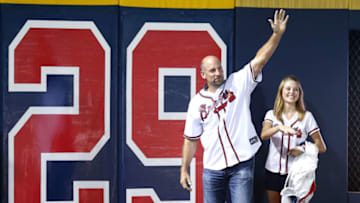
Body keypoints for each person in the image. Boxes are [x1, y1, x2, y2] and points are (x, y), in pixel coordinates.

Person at [180, 9, 289, 203]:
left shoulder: (237, 83)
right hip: (213, 169)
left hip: (242, 165)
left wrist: (276, 35)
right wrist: (184, 169)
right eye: (212, 70)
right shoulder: (196, 103)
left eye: (219, 68)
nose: (217, 73)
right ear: (203, 74)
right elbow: (190, 139)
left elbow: (260, 60)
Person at [260, 75, 327, 203]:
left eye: (295, 89)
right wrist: (279, 127)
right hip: (273, 171)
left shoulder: (306, 117)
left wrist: (302, 149)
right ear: (281, 92)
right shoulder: (272, 115)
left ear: (299, 93)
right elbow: (264, 135)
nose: (291, 92)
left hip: (296, 174)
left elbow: (321, 146)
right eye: (288, 89)